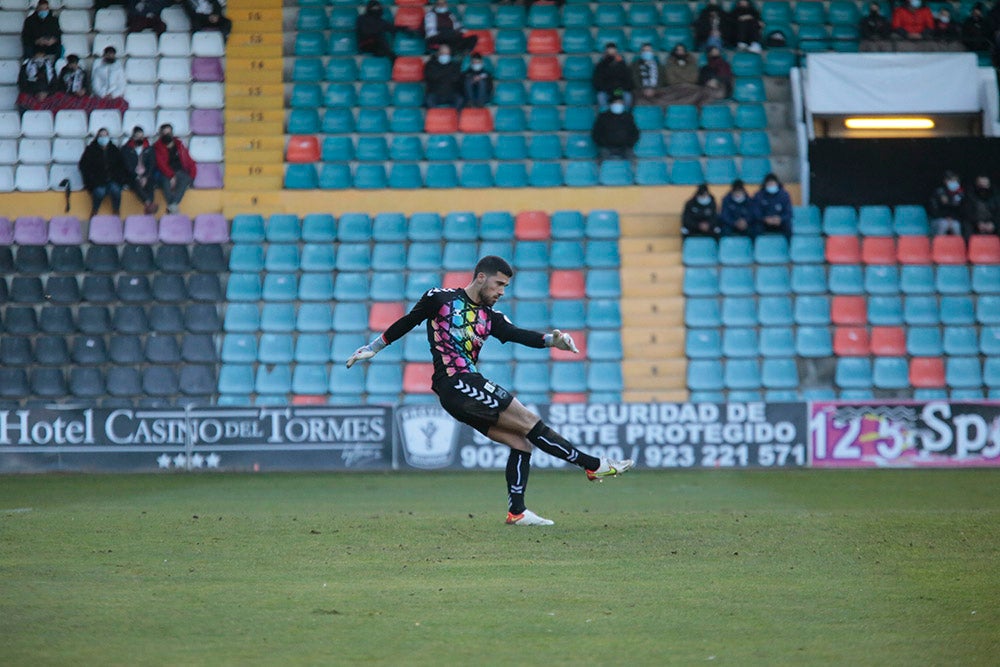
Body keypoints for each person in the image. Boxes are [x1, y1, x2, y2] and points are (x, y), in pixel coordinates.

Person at [345, 256, 634, 527]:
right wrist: (373, 348)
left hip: (463, 392)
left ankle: (517, 512)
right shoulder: (440, 299)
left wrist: (551, 341)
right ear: (481, 278)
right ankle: (593, 464)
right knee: (529, 421)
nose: (502, 292)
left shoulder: (491, 317)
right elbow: (410, 320)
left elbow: (517, 334)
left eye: (505, 287)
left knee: (522, 443)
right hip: (456, 381)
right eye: (499, 284)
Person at [79, 128, 130, 217]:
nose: (103, 138)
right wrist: (91, 180)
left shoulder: (114, 149)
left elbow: (121, 166)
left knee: (116, 190)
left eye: (105, 135)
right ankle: (95, 210)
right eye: (101, 135)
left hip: (113, 179)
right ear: (97, 137)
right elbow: (83, 166)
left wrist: (120, 178)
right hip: (97, 181)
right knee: (99, 192)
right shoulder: (90, 150)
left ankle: (116, 210)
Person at [154, 123, 197, 214]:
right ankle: (173, 208)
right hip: (164, 173)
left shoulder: (179, 145)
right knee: (166, 184)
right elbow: (161, 164)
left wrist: (192, 175)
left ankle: (171, 207)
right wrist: (171, 176)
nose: (167, 135)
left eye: (169, 133)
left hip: (180, 172)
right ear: (161, 135)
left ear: (172, 133)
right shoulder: (157, 146)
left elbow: (189, 160)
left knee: (186, 179)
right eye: (164, 133)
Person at [121, 126, 159, 214]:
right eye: (137, 136)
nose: (140, 138)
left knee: (150, 184)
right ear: (133, 137)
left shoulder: (149, 149)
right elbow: (127, 166)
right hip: (132, 175)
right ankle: (149, 204)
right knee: (136, 184)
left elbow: (152, 164)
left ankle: (149, 206)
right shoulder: (126, 149)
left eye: (141, 136)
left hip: (146, 175)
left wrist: (145, 177)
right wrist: (138, 177)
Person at [591, 95, 639, 160]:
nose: (618, 105)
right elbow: (596, 133)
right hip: (607, 147)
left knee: (632, 158)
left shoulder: (628, 117)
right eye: (616, 103)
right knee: (602, 158)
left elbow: (635, 133)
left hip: (625, 147)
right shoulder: (603, 117)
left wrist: (629, 144)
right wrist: (603, 144)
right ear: (611, 104)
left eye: (620, 103)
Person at [592, 42, 634, 110]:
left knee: (627, 96)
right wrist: (608, 89)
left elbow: (628, 80)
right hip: (607, 91)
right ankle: (605, 115)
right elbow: (597, 81)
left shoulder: (622, 65)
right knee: (601, 96)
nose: (611, 53)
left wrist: (619, 90)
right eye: (609, 51)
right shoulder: (600, 66)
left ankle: (626, 114)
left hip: (619, 90)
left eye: (613, 51)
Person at [751, 173, 793, 239]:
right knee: (755, 228)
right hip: (764, 222)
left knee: (788, 227)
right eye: (769, 184)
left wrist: (780, 219)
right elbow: (755, 211)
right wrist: (764, 219)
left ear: (777, 184)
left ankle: (788, 247)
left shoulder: (784, 195)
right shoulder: (759, 195)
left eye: (773, 184)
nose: (771, 186)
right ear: (765, 185)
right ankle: (756, 247)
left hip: (779, 222)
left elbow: (788, 213)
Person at [423, 43, 463, 108]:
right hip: (435, 93)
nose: (444, 55)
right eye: (442, 53)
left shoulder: (455, 65)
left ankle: (453, 118)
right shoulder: (431, 64)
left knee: (460, 100)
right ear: (438, 53)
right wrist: (447, 73)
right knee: (429, 101)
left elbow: (456, 78)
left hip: (451, 93)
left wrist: (440, 73)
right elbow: (431, 77)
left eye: (446, 54)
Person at [928, 170, 965, 236]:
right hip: (938, 219)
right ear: (946, 181)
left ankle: (957, 245)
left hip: (953, 219)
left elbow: (960, 210)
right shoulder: (938, 192)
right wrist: (945, 217)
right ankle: (938, 245)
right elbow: (933, 211)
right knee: (943, 224)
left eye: (956, 181)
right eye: (952, 181)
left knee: (956, 225)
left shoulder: (959, 193)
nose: (954, 183)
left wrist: (952, 217)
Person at [963, 174, 1000, 239]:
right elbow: (967, 212)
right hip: (975, 223)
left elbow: (998, 213)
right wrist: (978, 223)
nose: (983, 187)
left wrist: (993, 223)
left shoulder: (995, 196)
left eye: (985, 185)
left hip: (992, 223)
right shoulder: (970, 196)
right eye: (981, 185)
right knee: (966, 226)